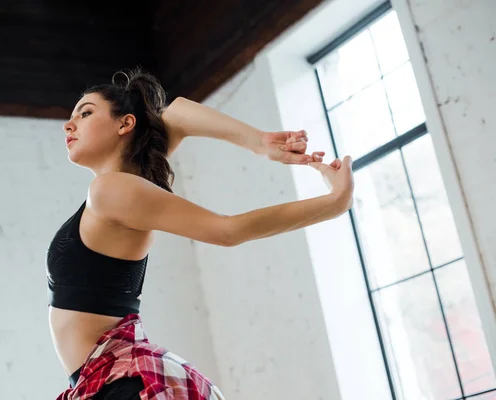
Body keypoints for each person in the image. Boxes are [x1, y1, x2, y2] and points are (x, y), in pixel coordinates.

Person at [48, 68, 354, 400]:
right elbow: (177, 114)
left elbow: (226, 229)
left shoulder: (111, 190)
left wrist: (333, 203)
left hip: (121, 381)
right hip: (107, 379)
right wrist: (260, 142)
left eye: (86, 112)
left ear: (125, 124)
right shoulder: (126, 190)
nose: (69, 123)